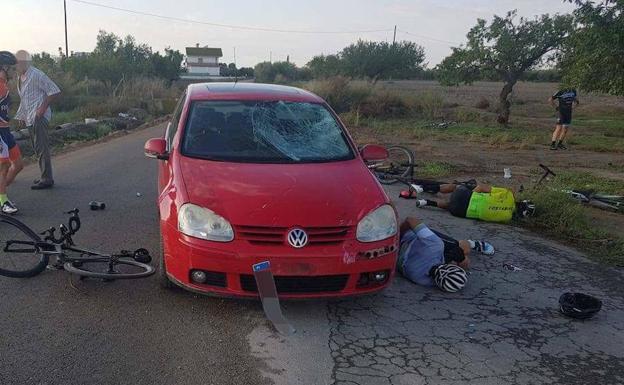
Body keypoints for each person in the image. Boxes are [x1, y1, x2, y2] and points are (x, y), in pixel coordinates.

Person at [397, 216, 495, 292]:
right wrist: (460, 259)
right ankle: (470, 245)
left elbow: (410, 219)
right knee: (460, 252)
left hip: (407, 240)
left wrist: (398, 235)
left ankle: (470, 244)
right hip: (405, 254)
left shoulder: (435, 246)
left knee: (461, 250)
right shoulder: (424, 281)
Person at [14, 50, 61, 189]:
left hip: (39, 117)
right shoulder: (20, 78)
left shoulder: (37, 74)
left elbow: (54, 90)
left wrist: (42, 109)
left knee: (41, 147)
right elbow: (25, 99)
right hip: (30, 117)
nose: (15, 66)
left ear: (24, 62)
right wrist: (22, 115)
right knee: (37, 147)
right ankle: (44, 176)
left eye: (16, 63)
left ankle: (47, 179)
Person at [402, 181, 535, 223]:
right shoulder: (506, 218)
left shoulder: (509, 195)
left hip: (466, 198)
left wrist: (472, 194)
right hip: (460, 212)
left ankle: (422, 188)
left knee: (455, 187)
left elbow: (482, 187)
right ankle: (427, 202)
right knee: (452, 205)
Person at [0, 51, 24, 214]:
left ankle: (1, 194)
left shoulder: (4, 84)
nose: (14, 72)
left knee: (18, 165)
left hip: (6, 130)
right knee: (4, 166)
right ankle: (3, 201)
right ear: (4, 67)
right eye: (11, 69)